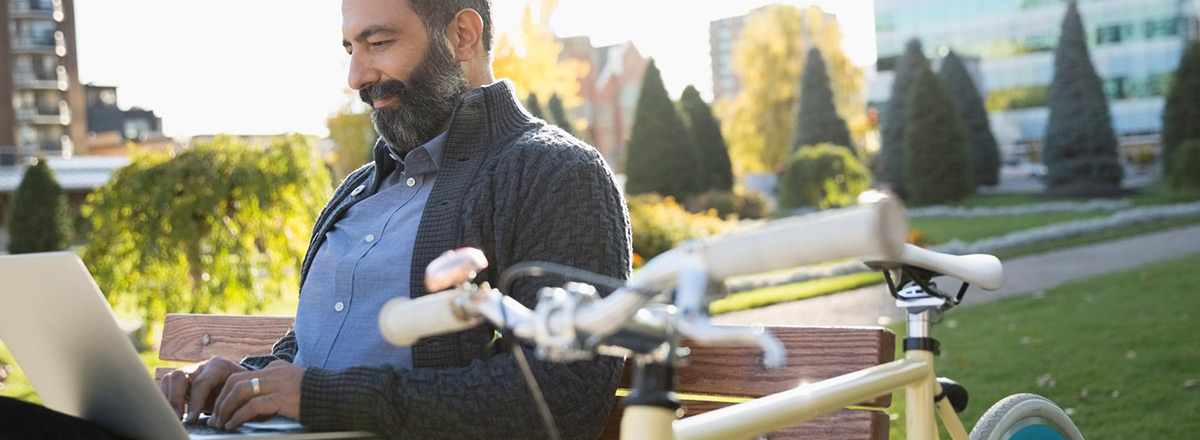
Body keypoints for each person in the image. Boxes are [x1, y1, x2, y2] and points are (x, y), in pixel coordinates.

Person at [0, 0, 630, 439]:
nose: (358, 76)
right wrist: (240, 382)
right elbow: (314, 347)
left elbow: (561, 398)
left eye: (379, 43)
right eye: (351, 48)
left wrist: (319, 400)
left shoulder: (552, 173)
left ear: (462, 36)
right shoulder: (360, 188)